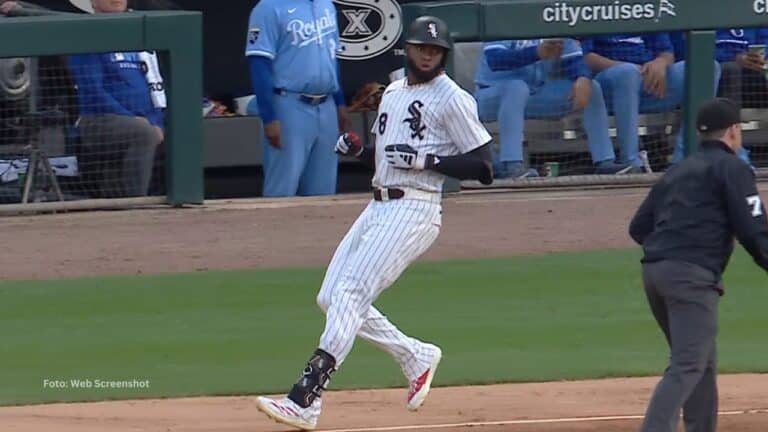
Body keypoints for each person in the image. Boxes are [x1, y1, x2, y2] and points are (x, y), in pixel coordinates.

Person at [254, 16, 493, 431]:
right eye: (421, 47)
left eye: (435, 50)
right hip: (378, 206)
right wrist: (359, 152)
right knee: (330, 297)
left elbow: (484, 166)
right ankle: (414, 355)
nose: (427, 55)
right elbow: (388, 160)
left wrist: (427, 160)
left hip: (415, 209)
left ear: (443, 55)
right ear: (408, 49)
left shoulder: (453, 98)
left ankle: (305, 399)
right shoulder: (394, 91)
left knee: (349, 293)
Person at [629, 98, 768, 432]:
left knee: (701, 361)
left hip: (655, 273)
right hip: (691, 277)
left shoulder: (678, 170)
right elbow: (753, 229)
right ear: (734, 131)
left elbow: (638, 228)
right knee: (688, 363)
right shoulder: (734, 168)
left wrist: (673, 244)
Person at [474, 38, 632, 178]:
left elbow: (574, 59)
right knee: (517, 87)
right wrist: (536, 52)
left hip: (535, 95)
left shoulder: (550, 19)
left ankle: (605, 161)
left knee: (592, 87)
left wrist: (582, 77)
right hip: (491, 96)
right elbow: (495, 59)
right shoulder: (504, 19)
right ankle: (512, 166)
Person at [245, 0, 350, 197]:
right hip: (289, 105)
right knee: (282, 190)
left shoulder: (326, 5)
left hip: (327, 106)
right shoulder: (268, 8)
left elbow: (332, 57)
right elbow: (260, 64)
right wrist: (269, 117)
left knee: (324, 192)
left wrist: (340, 102)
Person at [68, 0, 165, 197]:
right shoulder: (86, 36)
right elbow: (93, 90)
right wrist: (132, 118)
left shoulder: (139, 36)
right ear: (93, 2)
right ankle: (136, 201)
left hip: (143, 120)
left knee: (165, 132)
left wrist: (157, 122)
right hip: (99, 120)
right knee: (143, 133)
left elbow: (155, 85)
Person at [582, 34, 687, 170]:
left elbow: (666, 52)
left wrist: (660, 63)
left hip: (650, 83)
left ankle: (682, 161)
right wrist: (635, 70)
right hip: (607, 87)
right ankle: (631, 163)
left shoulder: (649, 18)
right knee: (627, 73)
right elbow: (586, 57)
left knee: (703, 67)